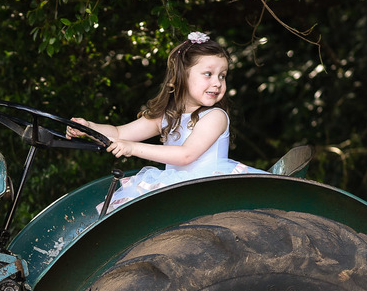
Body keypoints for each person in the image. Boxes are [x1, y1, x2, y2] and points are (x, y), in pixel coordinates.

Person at [69, 31, 263, 211]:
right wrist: (88, 127)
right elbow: (120, 133)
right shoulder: (168, 117)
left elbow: (186, 155)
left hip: (207, 188)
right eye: (208, 74)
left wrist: (132, 148)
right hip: (178, 187)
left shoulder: (214, 116)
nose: (217, 83)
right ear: (182, 76)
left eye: (222, 76)